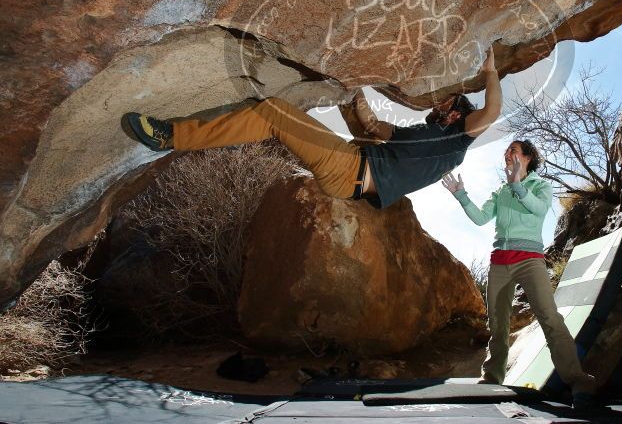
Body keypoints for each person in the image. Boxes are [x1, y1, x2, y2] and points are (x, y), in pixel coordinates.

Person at [123, 47, 501, 209]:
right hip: (351, 166)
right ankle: (196, 137)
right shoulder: (420, 136)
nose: (439, 105)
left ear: (457, 116)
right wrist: (355, 90)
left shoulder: (454, 145)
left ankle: (171, 137)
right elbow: (371, 126)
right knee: (279, 115)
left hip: (349, 170)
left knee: (273, 114)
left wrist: (490, 71)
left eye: (448, 104)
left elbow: (491, 112)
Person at [441, 140, 596, 406]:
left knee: (549, 316)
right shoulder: (500, 191)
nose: (507, 154)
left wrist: (517, 185)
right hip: (500, 262)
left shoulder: (540, 186)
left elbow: (537, 209)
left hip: (530, 261)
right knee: (498, 324)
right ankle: (491, 380)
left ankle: (578, 379)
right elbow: (480, 218)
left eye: (513, 150)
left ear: (527, 157)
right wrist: (461, 195)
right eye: (506, 152)